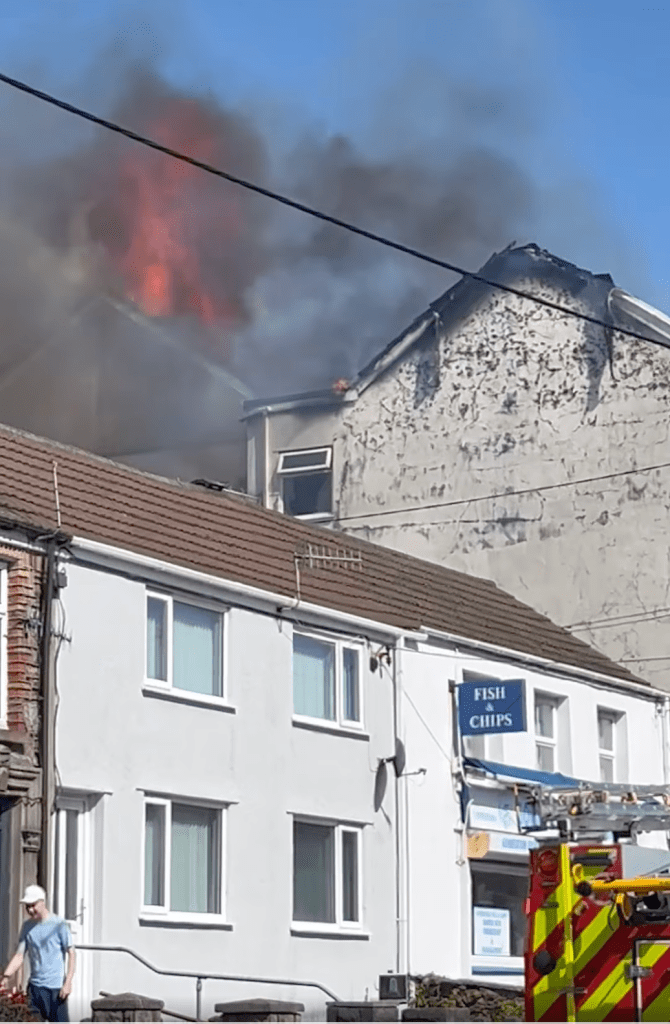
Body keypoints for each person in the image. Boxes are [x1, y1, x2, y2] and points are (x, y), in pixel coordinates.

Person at [0, 884, 75, 1023]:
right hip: (34, 989)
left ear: (42, 902)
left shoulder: (59, 924)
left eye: (32, 905)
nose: (30, 909)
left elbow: (71, 953)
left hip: (56, 990)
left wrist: (68, 982)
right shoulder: (27, 926)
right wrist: (5, 977)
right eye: (27, 906)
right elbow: (19, 955)